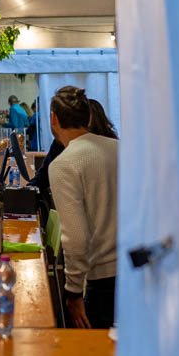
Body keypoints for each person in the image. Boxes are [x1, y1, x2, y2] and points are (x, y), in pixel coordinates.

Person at [48, 86, 118, 330]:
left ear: (53, 119)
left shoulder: (64, 164)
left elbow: (76, 238)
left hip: (97, 281)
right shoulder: (120, 149)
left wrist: (73, 292)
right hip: (134, 273)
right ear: (88, 118)